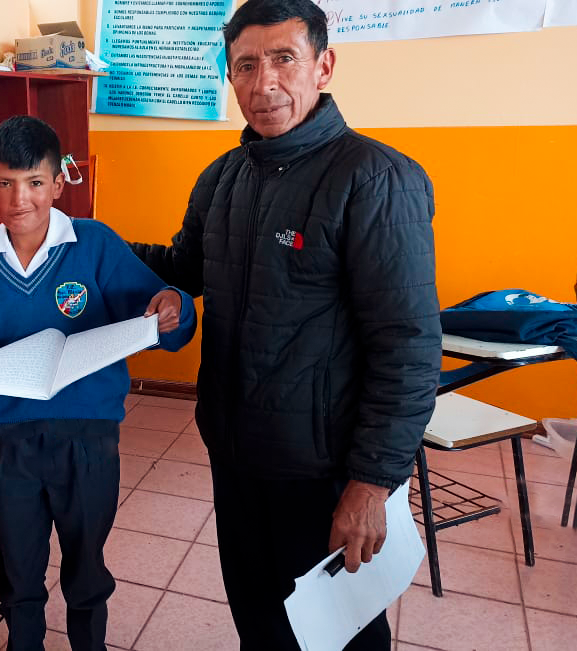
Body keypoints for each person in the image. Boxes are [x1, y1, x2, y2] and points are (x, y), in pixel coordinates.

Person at [129, 1, 441, 648]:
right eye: (245, 64)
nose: (263, 82)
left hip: (324, 470)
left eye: (283, 59)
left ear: (323, 66)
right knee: (260, 622)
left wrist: (371, 482)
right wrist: (86, 242)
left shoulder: (375, 179)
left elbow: (408, 347)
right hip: (236, 452)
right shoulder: (223, 178)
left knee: (337, 633)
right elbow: (185, 266)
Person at [0, 116, 196, 651]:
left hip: (87, 437)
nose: (18, 198)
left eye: (34, 182)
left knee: (86, 564)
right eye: (4, 183)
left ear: (57, 183)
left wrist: (173, 307)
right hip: (10, 439)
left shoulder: (93, 243)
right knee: (18, 565)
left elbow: (162, 307)